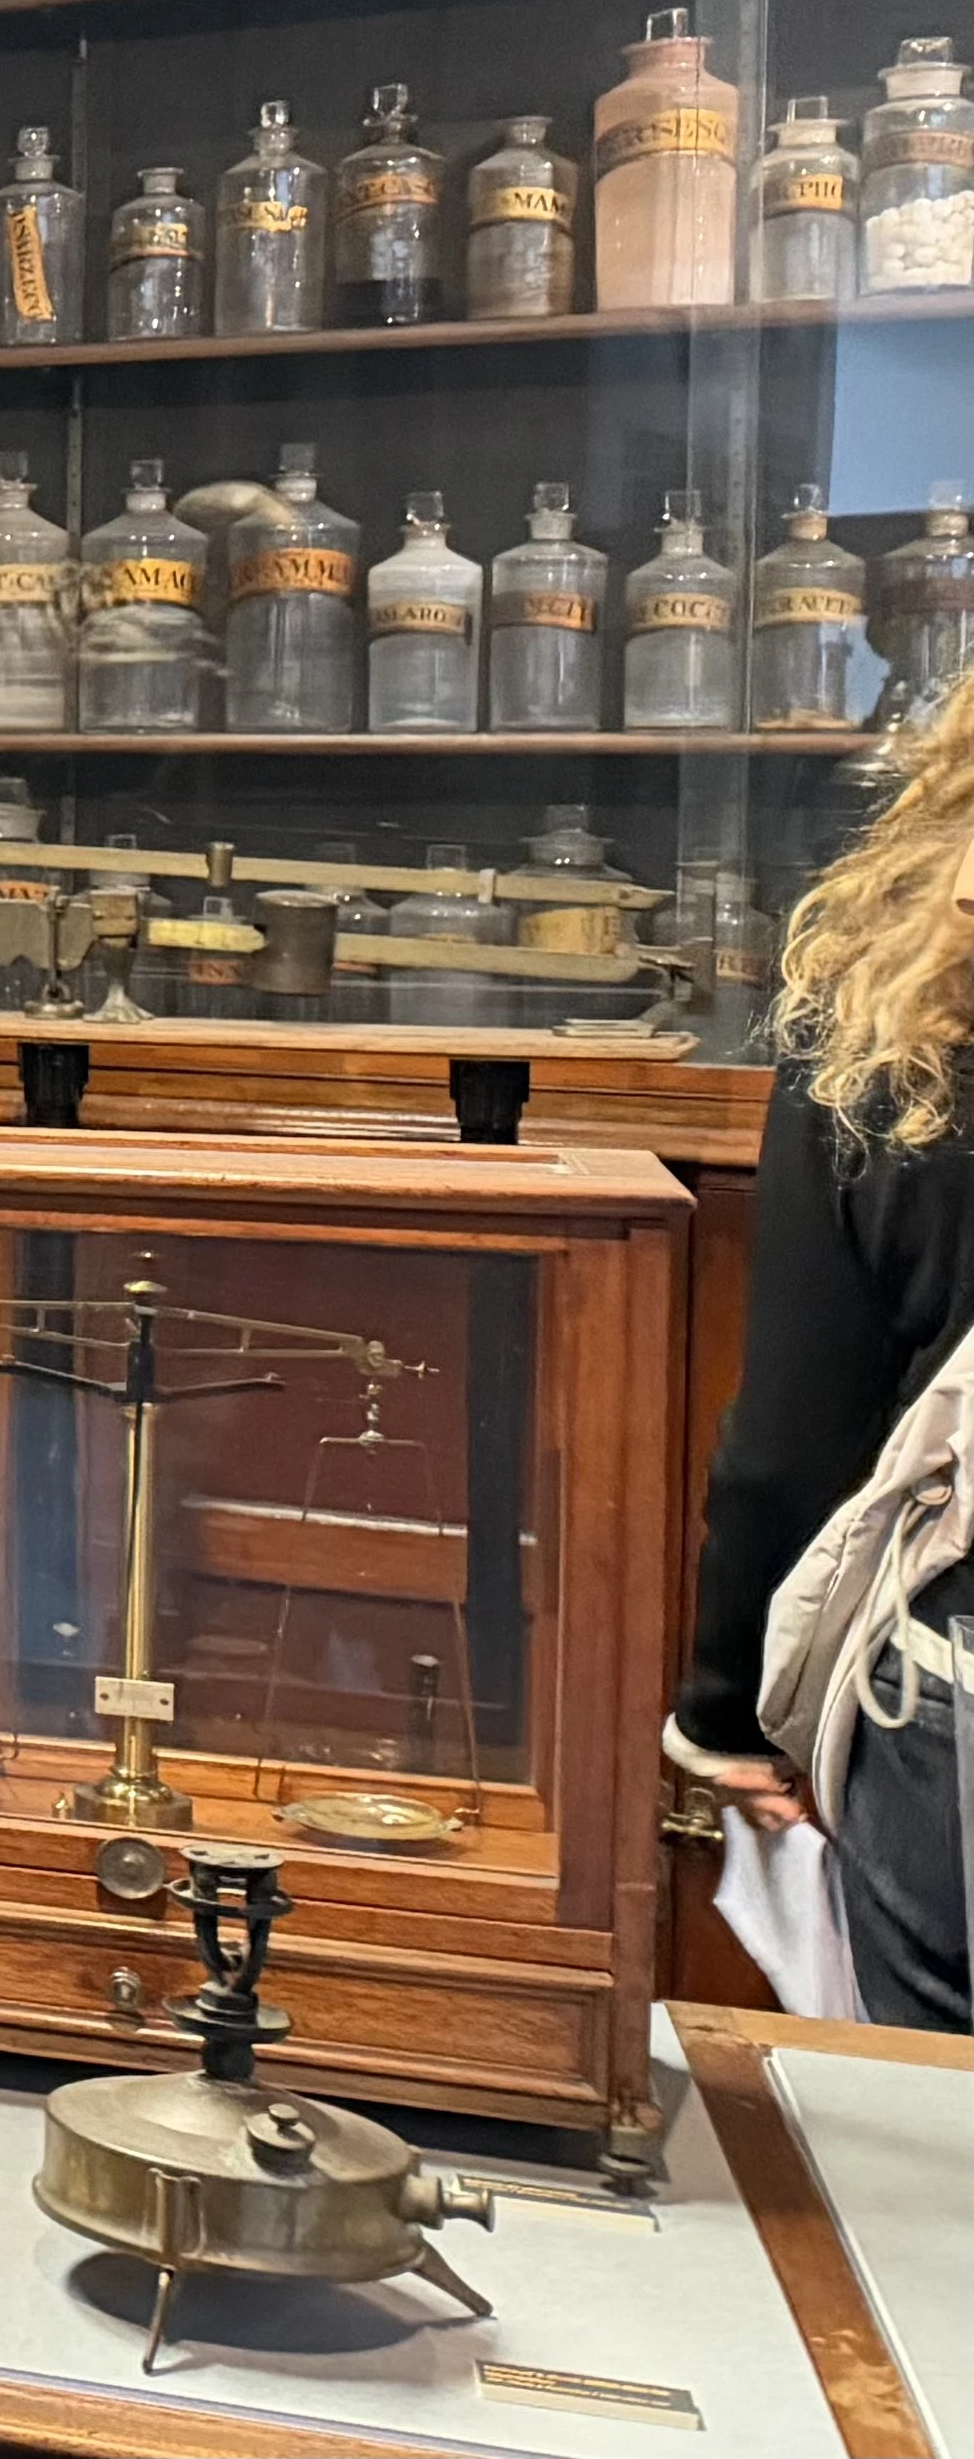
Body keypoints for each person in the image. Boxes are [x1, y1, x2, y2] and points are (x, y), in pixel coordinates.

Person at [675, 698, 974, 2031]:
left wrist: (727, 1719)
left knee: (929, 2184)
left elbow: (792, 1445)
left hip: (958, 1696)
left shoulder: (892, 1034)